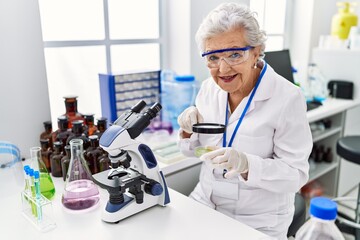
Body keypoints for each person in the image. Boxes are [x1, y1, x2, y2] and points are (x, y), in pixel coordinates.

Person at [177, 3, 312, 240]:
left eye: (235, 54)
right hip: (205, 201)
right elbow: (196, 152)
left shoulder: (287, 97)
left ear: (256, 51)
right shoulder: (208, 89)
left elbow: (296, 175)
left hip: (258, 218)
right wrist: (188, 132)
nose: (223, 68)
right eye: (213, 57)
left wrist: (247, 164)